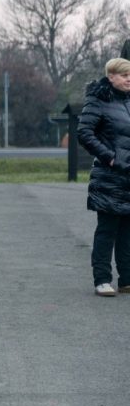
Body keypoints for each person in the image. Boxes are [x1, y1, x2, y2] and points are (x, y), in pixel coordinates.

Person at [76, 58, 130, 297]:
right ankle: (102, 279)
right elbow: (84, 133)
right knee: (107, 229)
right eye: (124, 75)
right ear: (111, 77)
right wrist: (109, 157)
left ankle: (127, 280)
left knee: (128, 231)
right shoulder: (98, 100)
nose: (129, 79)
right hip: (109, 175)